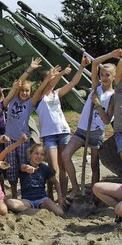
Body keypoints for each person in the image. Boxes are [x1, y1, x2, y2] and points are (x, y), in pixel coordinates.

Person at [59, 49, 122, 197]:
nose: (104, 77)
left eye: (107, 75)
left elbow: (106, 120)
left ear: (113, 77)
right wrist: (111, 55)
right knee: (65, 155)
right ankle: (75, 188)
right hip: (81, 129)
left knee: (94, 165)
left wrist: (98, 104)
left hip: (96, 132)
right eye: (102, 75)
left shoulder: (113, 97)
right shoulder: (96, 87)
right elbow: (95, 63)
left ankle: (95, 193)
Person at [35, 57, 88, 199]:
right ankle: (50, 194)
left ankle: (63, 196)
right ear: (42, 82)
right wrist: (59, 74)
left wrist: (81, 67)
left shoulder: (57, 93)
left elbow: (73, 82)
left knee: (63, 166)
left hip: (63, 132)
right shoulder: (38, 97)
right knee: (53, 168)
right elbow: (46, 86)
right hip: (48, 135)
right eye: (49, 79)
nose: (52, 82)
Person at [2, 58, 45, 198]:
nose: (24, 92)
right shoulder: (12, 100)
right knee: (12, 169)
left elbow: (39, 92)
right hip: (10, 139)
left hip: (23, 140)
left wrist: (48, 79)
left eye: (27, 91)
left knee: (24, 166)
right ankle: (14, 195)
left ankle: (25, 193)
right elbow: (17, 85)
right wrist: (29, 69)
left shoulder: (29, 104)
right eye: (22, 90)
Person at [6, 144, 66, 215]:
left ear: (44, 157)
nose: (39, 156)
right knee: (8, 202)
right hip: (27, 200)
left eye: (42, 154)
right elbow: (23, 167)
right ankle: (31, 210)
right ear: (30, 154)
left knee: (60, 212)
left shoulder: (45, 168)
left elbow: (56, 183)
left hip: (42, 199)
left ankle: (30, 211)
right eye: (36, 153)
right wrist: (27, 168)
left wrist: (60, 197)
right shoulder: (24, 164)